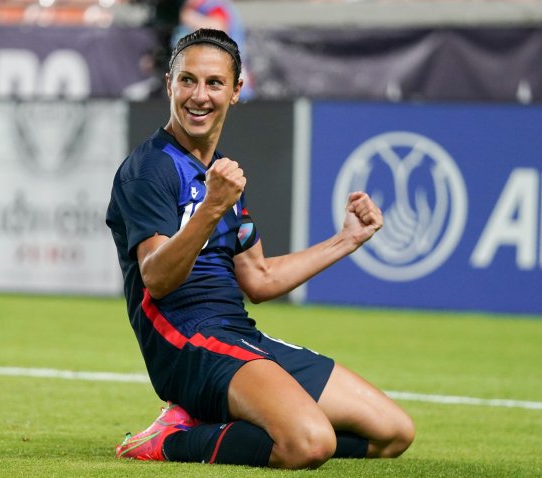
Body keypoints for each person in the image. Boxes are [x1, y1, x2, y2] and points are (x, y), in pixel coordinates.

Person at [105, 28, 414, 469]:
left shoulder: (219, 172)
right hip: (186, 342)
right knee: (308, 444)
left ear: (235, 92)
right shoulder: (151, 168)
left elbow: (260, 279)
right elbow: (156, 278)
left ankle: (207, 422)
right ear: (169, 85)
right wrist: (211, 207)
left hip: (237, 335)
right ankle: (169, 441)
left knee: (393, 433)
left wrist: (347, 239)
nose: (199, 95)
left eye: (214, 83)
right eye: (187, 80)